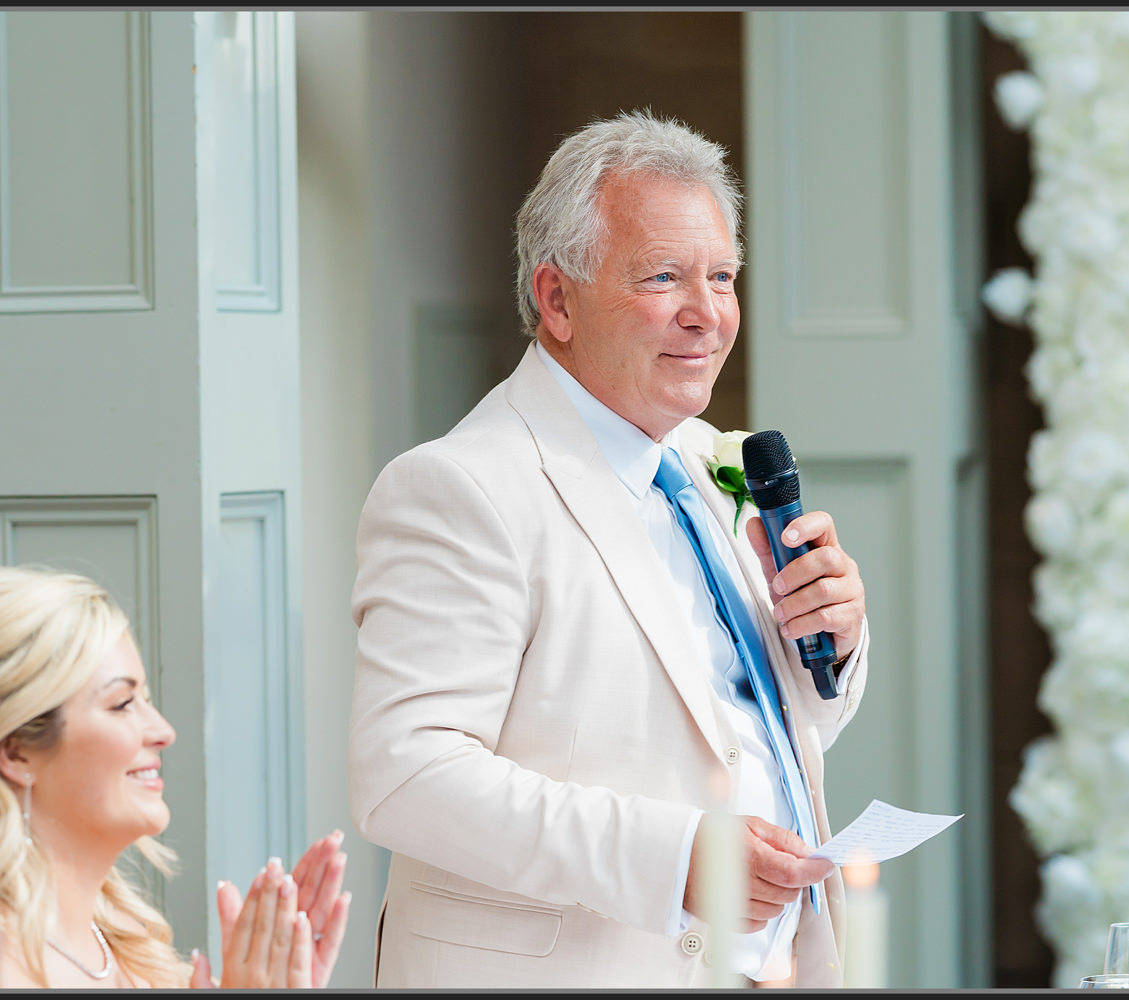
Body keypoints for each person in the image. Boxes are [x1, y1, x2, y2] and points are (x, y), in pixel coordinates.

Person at [347, 110, 870, 988]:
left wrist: (829, 642)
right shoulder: (460, 488)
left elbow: (737, 727)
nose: (707, 315)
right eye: (663, 277)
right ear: (556, 301)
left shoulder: (704, 463)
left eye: (721, 277)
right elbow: (406, 774)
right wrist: (674, 859)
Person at [0, 565, 350, 989]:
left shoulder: (124, 940)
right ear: (16, 751)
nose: (163, 731)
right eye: (122, 704)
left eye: (146, 698)